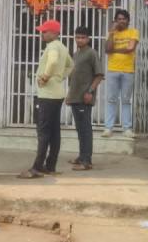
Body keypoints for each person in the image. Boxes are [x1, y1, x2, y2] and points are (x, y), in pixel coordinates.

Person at [19, 19, 73, 179]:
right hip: (57, 94)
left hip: (48, 95)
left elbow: (53, 61)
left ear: (54, 33)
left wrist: (45, 77)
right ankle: (50, 166)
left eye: (45, 31)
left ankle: (36, 168)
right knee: (54, 132)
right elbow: (71, 65)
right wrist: (60, 77)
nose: (41, 33)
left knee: (43, 132)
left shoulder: (53, 46)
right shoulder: (62, 46)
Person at [66, 26, 104, 171]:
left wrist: (90, 91)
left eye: (83, 37)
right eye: (77, 37)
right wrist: (69, 95)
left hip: (85, 97)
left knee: (85, 129)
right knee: (79, 128)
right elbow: (73, 77)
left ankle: (87, 161)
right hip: (75, 97)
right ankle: (81, 156)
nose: (79, 40)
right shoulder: (76, 54)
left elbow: (99, 75)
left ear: (88, 39)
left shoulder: (92, 53)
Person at [104, 9, 139, 138]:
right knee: (111, 99)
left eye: (124, 19)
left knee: (126, 100)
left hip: (128, 71)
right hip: (113, 69)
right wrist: (111, 33)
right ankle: (108, 128)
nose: (121, 21)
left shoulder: (133, 32)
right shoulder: (112, 33)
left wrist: (115, 50)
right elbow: (107, 49)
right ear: (115, 21)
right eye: (119, 19)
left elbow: (130, 48)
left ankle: (127, 129)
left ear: (128, 20)